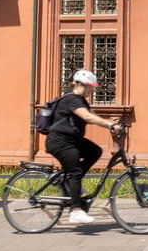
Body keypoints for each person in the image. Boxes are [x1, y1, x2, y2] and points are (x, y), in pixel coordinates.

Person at [44, 68, 122, 225]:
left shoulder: (81, 101)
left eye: (92, 87)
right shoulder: (71, 99)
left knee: (95, 151)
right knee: (75, 171)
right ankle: (75, 211)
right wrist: (109, 124)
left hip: (71, 140)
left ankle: (70, 183)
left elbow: (92, 115)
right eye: (89, 86)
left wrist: (114, 125)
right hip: (60, 141)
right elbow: (87, 117)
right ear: (78, 84)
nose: (91, 89)